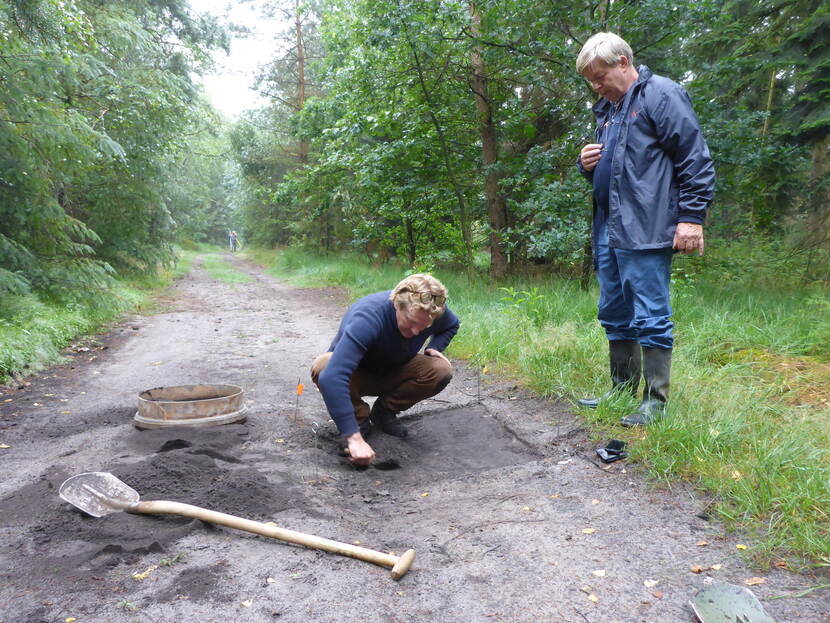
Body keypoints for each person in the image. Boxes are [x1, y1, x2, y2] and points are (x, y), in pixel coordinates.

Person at [574, 32, 715, 426]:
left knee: (650, 313)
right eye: (591, 80)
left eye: (600, 76)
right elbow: (619, 171)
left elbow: (695, 158)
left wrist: (691, 218)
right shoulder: (610, 110)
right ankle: (621, 390)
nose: (596, 86)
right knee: (614, 311)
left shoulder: (661, 95)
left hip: (646, 226)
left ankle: (655, 401)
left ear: (622, 62)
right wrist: (587, 166)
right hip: (609, 227)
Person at [311, 274, 459, 465]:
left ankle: (383, 412)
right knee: (324, 366)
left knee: (441, 369)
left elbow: (452, 325)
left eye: (424, 327)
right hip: (357, 374)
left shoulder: (431, 310)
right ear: (397, 305)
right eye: (412, 322)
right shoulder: (369, 317)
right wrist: (353, 437)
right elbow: (332, 377)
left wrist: (435, 348)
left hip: (396, 369)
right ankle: (357, 422)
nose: (416, 332)